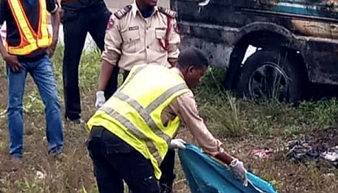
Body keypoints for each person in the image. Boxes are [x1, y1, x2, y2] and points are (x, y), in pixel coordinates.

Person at [87, 48, 248, 193]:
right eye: (200, 75)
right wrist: (232, 162)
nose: (200, 81)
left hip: (97, 132)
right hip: (125, 143)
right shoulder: (180, 92)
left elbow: (136, 110)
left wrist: (166, 141)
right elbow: (204, 139)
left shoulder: (145, 69)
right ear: (190, 70)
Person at [94, 0, 181, 193]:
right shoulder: (120, 19)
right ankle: (136, 180)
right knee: (132, 135)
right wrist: (101, 92)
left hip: (161, 85)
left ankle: (164, 184)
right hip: (132, 85)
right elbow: (110, 57)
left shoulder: (167, 19)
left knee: (164, 138)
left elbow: (174, 57)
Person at [0, 0, 64, 159]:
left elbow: (55, 12)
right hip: (17, 62)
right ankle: (16, 153)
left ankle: (56, 148)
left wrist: (55, 37)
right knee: (15, 106)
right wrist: (5, 55)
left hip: (41, 58)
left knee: (53, 101)